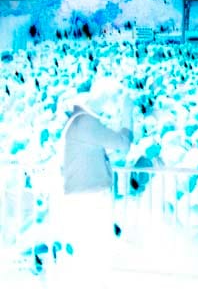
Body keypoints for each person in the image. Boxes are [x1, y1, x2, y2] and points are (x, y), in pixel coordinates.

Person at [52, 81, 133, 289]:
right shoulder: (87, 124)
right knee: (96, 251)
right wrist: (127, 114)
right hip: (91, 198)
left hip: (80, 196)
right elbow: (123, 144)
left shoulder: (76, 121)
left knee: (86, 252)